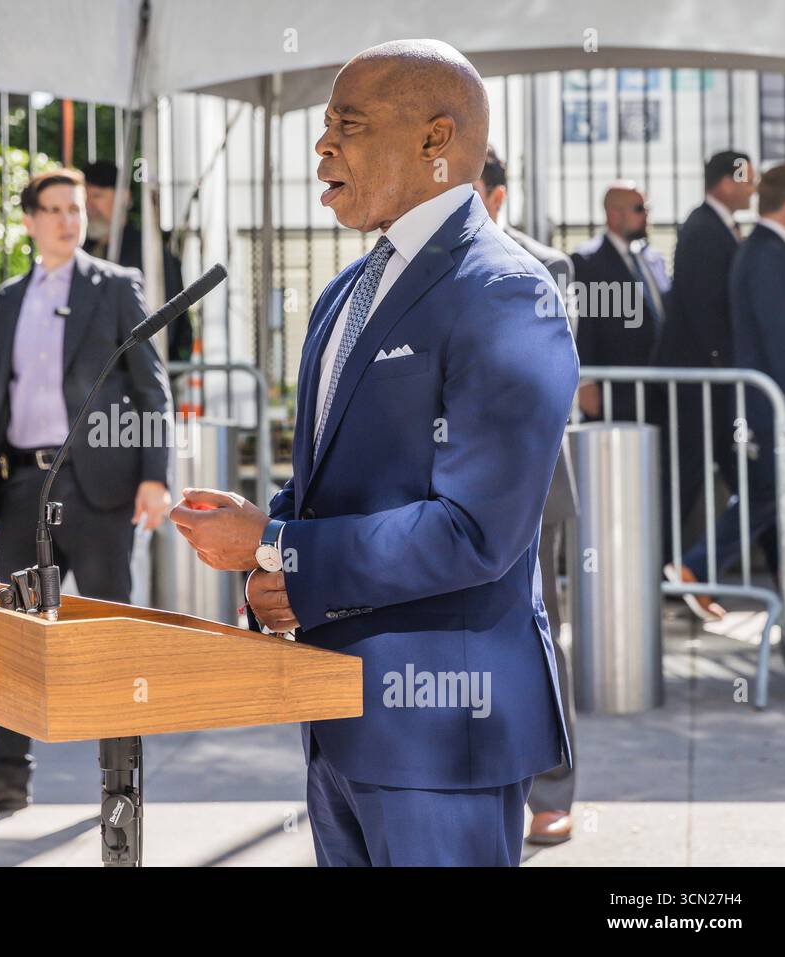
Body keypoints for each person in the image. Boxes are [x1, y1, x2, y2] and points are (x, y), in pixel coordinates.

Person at [170, 39, 576, 867]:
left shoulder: (507, 292)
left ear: (436, 140)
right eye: (324, 127)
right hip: (338, 722)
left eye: (346, 126)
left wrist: (278, 546)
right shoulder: (342, 295)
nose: (323, 148)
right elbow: (336, 492)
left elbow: (474, 531)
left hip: (443, 734)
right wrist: (272, 542)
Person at [0, 167, 173, 818]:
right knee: (12, 638)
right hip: (23, 487)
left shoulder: (117, 286)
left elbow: (152, 387)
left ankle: (121, 784)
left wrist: (157, 476)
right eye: (55, 209)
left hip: (100, 488)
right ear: (30, 219)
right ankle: (6, 778)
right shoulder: (6, 300)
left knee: (106, 638)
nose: (71, 220)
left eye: (75, 209)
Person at [475, 146, 578, 846]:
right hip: (440, 492)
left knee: (536, 632)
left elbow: (547, 378)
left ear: (498, 195)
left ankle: (551, 789)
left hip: (528, 485)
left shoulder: (546, 265)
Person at [655, 151, 762, 620]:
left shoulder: (716, 227)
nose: (753, 188)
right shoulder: (703, 228)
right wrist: (724, 366)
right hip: (699, 387)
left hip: (712, 386)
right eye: (746, 179)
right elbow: (702, 305)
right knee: (687, 480)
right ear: (725, 181)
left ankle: (685, 573)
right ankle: (671, 575)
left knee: (740, 480)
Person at [681, 166, 785, 593]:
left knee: (767, 493)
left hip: (765, 400)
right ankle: (696, 568)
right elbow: (779, 337)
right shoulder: (767, 254)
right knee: (766, 493)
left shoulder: (762, 249)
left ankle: (698, 570)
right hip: (769, 403)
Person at [573, 182, 667, 421]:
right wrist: (585, 381)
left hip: (661, 389)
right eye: (639, 208)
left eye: (647, 208)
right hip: (617, 392)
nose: (646, 214)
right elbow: (583, 325)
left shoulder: (653, 260)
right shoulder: (588, 262)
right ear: (613, 214)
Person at [81, 160, 191, 362]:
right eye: (84, 198)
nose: (89, 206)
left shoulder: (150, 253)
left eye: (96, 196)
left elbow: (167, 323)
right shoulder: (79, 252)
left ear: (124, 197)